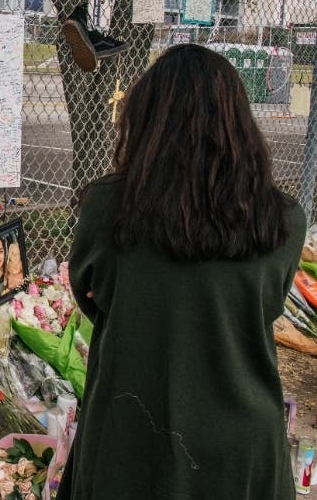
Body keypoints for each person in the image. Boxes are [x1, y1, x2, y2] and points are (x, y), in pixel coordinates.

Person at [58, 44, 305, 500]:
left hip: (129, 434)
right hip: (242, 441)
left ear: (146, 118)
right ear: (240, 121)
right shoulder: (284, 220)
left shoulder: (108, 206)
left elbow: (90, 293)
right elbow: (264, 306)